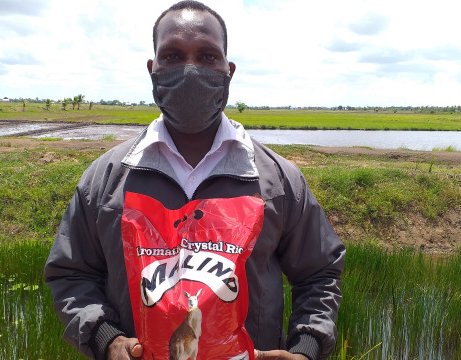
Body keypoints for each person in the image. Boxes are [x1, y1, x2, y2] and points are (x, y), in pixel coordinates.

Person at [44, 1, 345, 360]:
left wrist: (306, 349)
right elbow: (71, 272)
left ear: (228, 71)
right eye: (172, 56)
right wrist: (105, 338)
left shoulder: (277, 182)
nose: (190, 70)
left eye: (206, 57)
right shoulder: (106, 181)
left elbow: (319, 275)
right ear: (152, 69)